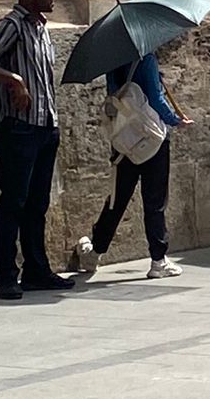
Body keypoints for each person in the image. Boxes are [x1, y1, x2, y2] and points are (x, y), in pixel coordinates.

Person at [0, 0, 73, 297]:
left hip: (45, 125)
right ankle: (6, 275)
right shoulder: (11, 26)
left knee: (37, 203)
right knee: (13, 201)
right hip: (18, 127)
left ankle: (36, 269)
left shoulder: (41, 28)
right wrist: (13, 80)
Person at [77, 51, 194, 277]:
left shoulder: (114, 61)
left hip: (125, 140)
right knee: (155, 200)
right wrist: (175, 120)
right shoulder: (147, 59)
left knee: (117, 199)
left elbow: (114, 96)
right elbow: (156, 99)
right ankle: (158, 260)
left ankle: (95, 253)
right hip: (153, 140)